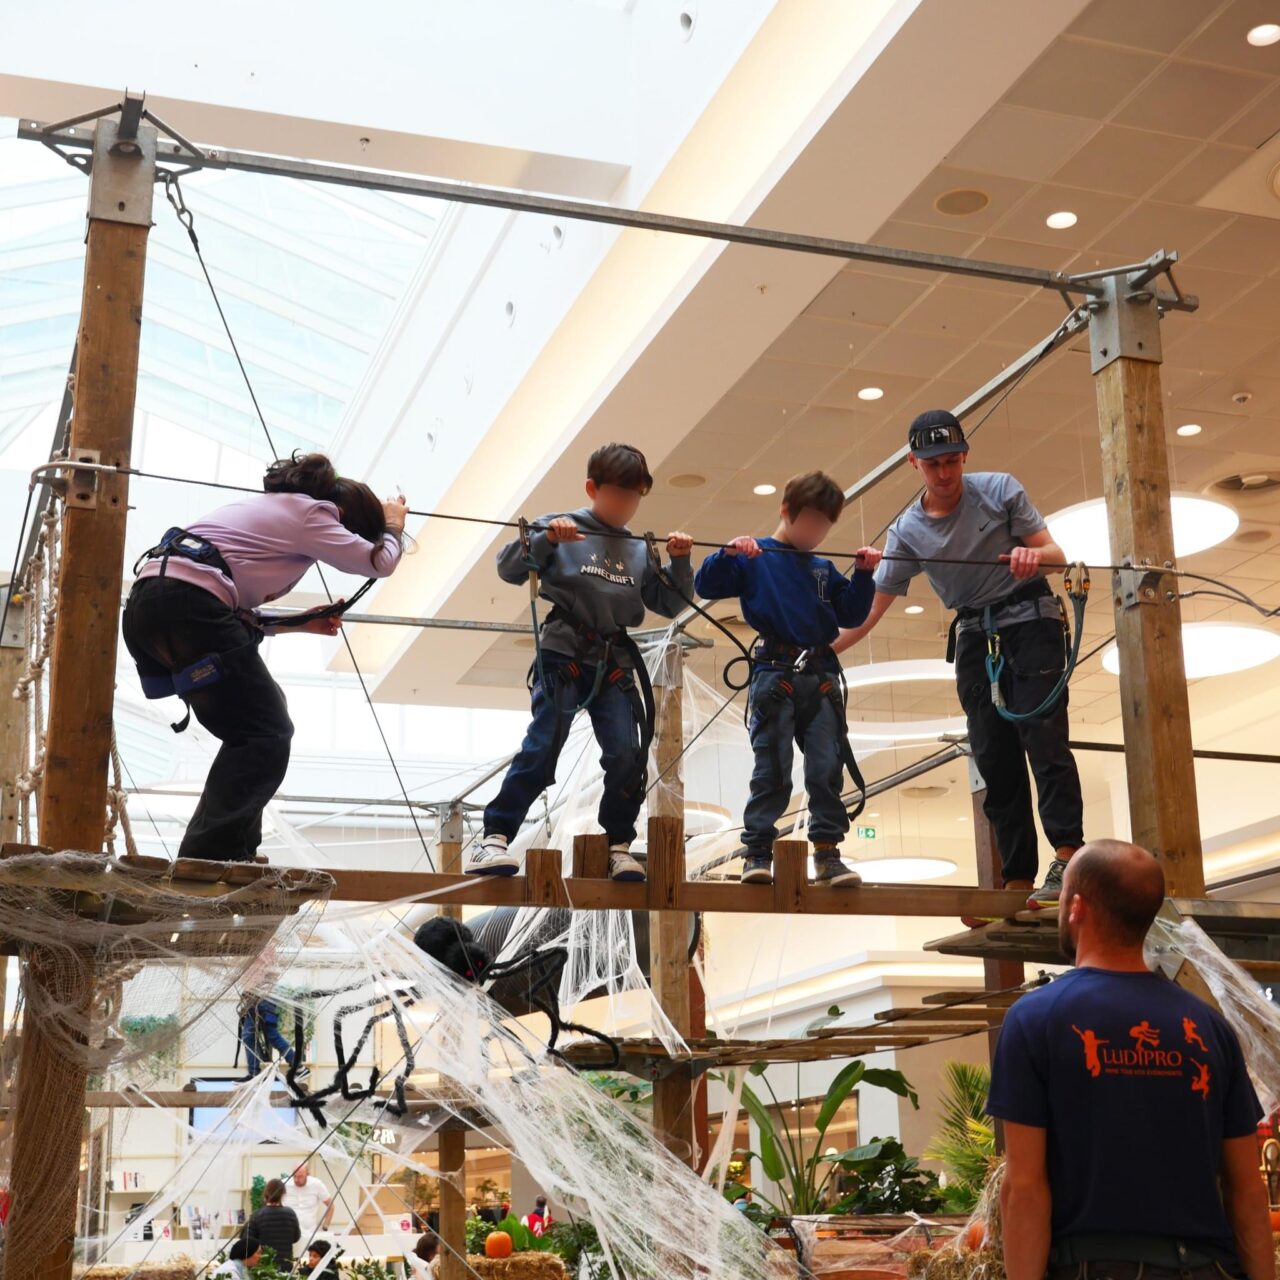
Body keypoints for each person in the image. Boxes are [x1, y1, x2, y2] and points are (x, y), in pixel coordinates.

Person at [834, 410, 1084, 916]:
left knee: (1042, 735)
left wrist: (1034, 558)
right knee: (993, 755)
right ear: (914, 464)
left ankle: (1068, 855)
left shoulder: (999, 490)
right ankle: (1017, 874)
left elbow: (1057, 555)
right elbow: (870, 612)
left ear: (965, 456)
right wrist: (816, 649)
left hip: (1030, 620)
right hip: (975, 637)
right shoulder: (906, 531)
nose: (944, 474)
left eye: (951, 461)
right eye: (932, 465)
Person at [988, 839, 1273, 1280]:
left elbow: (1024, 1188)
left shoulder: (1034, 1019)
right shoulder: (1208, 1026)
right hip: (1209, 1268)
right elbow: (1246, 1190)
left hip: (1096, 1266)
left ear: (1077, 907)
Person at [123, 451, 408, 863]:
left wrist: (300, 622)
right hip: (188, 606)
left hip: (151, 610)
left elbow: (233, 613)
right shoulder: (314, 513)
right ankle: (212, 855)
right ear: (345, 516)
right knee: (267, 731)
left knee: (252, 733)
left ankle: (228, 850)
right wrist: (394, 524)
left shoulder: (268, 512)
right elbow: (379, 562)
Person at [466, 443, 694, 882]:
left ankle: (618, 844)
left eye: (634, 498)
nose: (626, 506)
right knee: (544, 744)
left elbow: (670, 604)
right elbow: (509, 568)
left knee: (628, 753)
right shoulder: (559, 526)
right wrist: (547, 539)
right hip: (564, 652)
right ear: (593, 488)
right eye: (618, 495)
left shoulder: (640, 549)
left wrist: (681, 562)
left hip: (613, 659)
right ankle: (493, 836)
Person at [695, 471, 881, 886]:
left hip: (820, 677)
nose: (816, 532)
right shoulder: (756, 555)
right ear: (786, 511)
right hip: (775, 674)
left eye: (824, 525)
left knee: (826, 767)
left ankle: (828, 854)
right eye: (811, 521)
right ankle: (757, 851)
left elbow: (850, 614)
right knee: (773, 769)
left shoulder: (822, 568)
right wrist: (727, 554)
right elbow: (704, 583)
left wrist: (865, 575)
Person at [237, 996, 307, 1081]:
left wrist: (248, 991)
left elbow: (255, 984)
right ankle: (253, 1073)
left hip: (263, 1000)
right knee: (250, 1036)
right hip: (260, 1002)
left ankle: (298, 1067)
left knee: (268, 1036)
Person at [245, 1179, 300, 1268]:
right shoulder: (290, 1214)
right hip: (285, 1265)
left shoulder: (257, 1215)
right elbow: (296, 1238)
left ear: (266, 1193)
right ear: (283, 1194)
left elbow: (247, 1241)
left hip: (264, 1266)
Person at [283, 1164, 333, 1251]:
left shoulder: (317, 1184)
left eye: (300, 1176)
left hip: (311, 1233)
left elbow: (331, 1206)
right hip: (288, 1234)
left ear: (307, 1174)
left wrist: (325, 1227)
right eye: (294, 1176)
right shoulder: (284, 1184)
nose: (296, 1179)